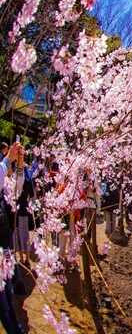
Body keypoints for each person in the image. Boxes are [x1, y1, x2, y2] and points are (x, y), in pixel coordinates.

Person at [0, 141, 25, 334]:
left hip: (3, 249)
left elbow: (16, 189)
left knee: (7, 296)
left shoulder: (4, 190)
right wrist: (8, 160)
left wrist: (20, 163)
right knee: (4, 304)